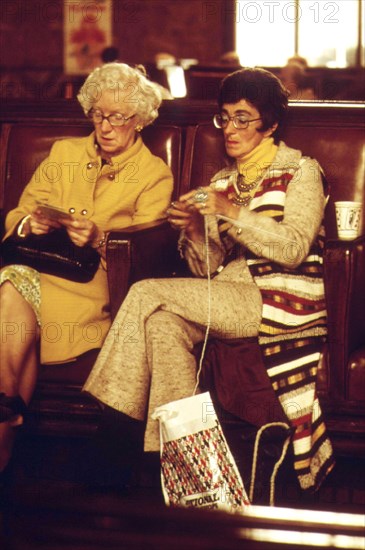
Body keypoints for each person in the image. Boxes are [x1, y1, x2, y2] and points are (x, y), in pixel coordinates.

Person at [83, 67, 334, 494]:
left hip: (278, 301)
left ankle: (116, 429)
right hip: (227, 295)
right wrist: (197, 233)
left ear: (270, 124)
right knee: (161, 325)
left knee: (146, 293)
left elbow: (293, 247)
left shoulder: (301, 171)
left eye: (243, 118)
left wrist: (230, 212)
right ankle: (191, 474)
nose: (231, 129)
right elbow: (206, 271)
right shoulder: (221, 183)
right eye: (225, 117)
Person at [0, 62, 173, 473]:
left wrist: (99, 237)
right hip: (37, 269)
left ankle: (8, 409)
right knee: (10, 284)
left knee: (7, 296)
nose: (105, 126)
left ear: (141, 119)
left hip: (92, 287)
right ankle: (6, 406)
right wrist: (31, 222)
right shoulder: (64, 153)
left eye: (117, 117)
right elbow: (19, 211)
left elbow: (150, 251)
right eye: (98, 114)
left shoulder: (154, 174)